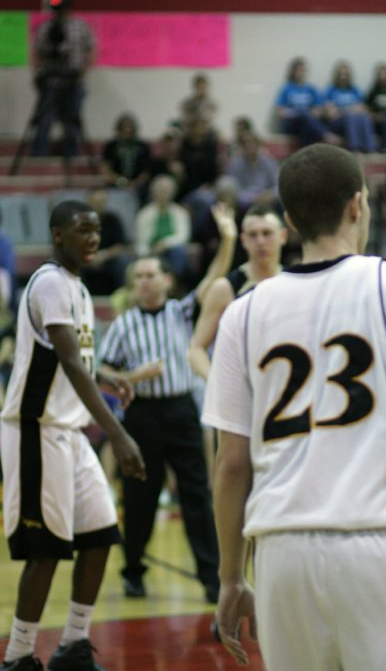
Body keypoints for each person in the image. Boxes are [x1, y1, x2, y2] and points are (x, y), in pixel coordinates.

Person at [203, 143, 386, 670]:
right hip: (373, 543)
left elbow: (231, 462)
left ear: (288, 221)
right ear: (357, 205)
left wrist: (230, 577)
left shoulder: (243, 313)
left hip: (278, 557)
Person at [0, 200, 146, 671]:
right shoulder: (48, 283)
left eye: (97, 230)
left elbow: (74, 358)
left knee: (101, 534)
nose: (92, 238)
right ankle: (19, 656)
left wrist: (104, 373)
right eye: (81, 229)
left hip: (69, 432)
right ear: (57, 233)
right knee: (45, 552)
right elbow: (65, 360)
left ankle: (73, 646)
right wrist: (119, 434)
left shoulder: (77, 288)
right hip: (36, 431)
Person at [97, 203, 237, 601]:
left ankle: (212, 578)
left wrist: (226, 238)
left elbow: (214, 279)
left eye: (150, 274)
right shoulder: (123, 324)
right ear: (133, 284)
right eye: (138, 276)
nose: (144, 281)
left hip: (180, 411)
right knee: (139, 498)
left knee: (196, 495)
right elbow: (101, 375)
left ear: (166, 279)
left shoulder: (181, 311)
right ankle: (133, 571)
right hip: (141, 415)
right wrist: (134, 377)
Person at [188, 204, 287, 381]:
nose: (261, 241)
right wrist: (217, 386)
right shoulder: (225, 288)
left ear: (283, 236)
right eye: (253, 235)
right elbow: (196, 350)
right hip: (241, 387)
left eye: (267, 233)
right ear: (243, 240)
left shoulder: (294, 284)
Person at [31, 0, 95, 158]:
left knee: (72, 120)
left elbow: (91, 49)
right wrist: (37, 73)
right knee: (45, 119)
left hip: (73, 80)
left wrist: (83, 71)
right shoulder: (45, 27)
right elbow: (37, 52)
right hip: (50, 80)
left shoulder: (80, 26)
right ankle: (39, 155)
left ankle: (71, 154)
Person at [134, 175, 191, 283]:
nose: (164, 193)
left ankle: (172, 284)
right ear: (153, 192)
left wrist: (164, 244)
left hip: (171, 251)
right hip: (150, 252)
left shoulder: (181, 213)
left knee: (178, 252)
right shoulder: (144, 214)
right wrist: (148, 253)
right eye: (160, 190)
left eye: (167, 190)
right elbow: (140, 242)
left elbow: (183, 237)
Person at [81, 187, 132, 295]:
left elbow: (121, 246)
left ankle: (124, 296)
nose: (99, 205)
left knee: (124, 261)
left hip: (109, 260)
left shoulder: (113, 219)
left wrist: (103, 256)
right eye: (96, 202)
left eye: (102, 202)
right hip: (84, 260)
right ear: (87, 202)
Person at [275, 57, 335, 146]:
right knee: (303, 113)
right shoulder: (287, 88)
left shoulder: (311, 89)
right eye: (298, 70)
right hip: (291, 124)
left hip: (306, 123)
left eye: (303, 70)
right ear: (293, 72)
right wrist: (297, 113)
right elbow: (280, 112)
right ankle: (326, 135)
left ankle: (307, 153)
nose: (301, 72)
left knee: (306, 123)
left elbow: (318, 110)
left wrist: (310, 113)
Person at [322, 60, 377, 153]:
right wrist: (350, 110)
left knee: (364, 116)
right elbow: (331, 114)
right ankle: (354, 147)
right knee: (351, 116)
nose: (343, 76)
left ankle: (370, 148)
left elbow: (362, 108)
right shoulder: (330, 90)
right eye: (341, 74)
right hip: (337, 124)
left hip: (352, 119)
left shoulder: (355, 89)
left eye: (346, 74)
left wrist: (345, 110)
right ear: (337, 75)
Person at [101, 113, 152, 207]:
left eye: (130, 127)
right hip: (116, 182)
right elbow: (106, 170)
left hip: (138, 184)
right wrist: (122, 181)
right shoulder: (111, 146)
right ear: (119, 129)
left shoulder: (142, 146)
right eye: (124, 127)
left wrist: (136, 183)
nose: (127, 130)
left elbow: (146, 171)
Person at [226, 132, 280, 213]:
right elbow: (233, 189)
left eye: (252, 143)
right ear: (241, 147)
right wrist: (253, 198)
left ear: (259, 145)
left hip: (267, 199)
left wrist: (271, 194)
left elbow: (278, 185)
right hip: (245, 202)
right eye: (246, 144)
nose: (250, 146)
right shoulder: (235, 164)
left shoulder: (269, 162)